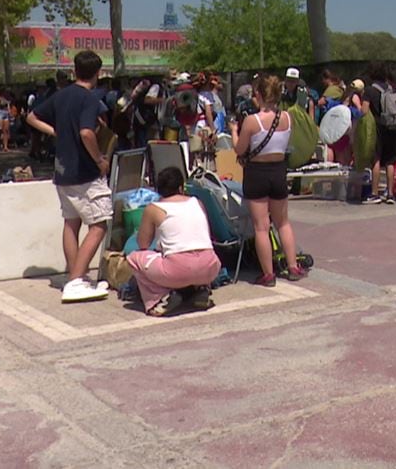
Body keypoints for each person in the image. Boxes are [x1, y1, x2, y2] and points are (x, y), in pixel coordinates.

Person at [25, 51, 112, 303]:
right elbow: (87, 132)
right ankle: (76, 281)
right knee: (99, 224)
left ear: (75, 70)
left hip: (62, 170)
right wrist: (100, 160)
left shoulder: (60, 95)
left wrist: (56, 133)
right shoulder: (90, 99)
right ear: (97, 73)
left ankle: (77, 275)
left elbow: (31, 117)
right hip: (85, 171)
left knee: (71, 222)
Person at [230, 74, 305, 286]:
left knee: (261, 226)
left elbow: (239, 149)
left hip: (256, 172)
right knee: (283, 222)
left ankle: (268, 274)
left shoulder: (252, 121)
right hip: (279, 170)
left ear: (259, 95)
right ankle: (292, 266)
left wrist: (234, 131)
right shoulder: (288, 117)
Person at [128, 167, 221, 316]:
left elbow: (143, 244)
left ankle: (160, 299)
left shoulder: (154, 208)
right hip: (210, 266)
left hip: (178, 270)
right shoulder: (197, 202)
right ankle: (200, 290)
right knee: (191, 258)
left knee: (134, 258)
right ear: (180, 187)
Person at [362, 62, 396, 204]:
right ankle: (390, 194)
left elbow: (364, 112)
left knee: (376, 160)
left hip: (378, 129)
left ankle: (374, 193)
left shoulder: (371, 90)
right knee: (391, 162)